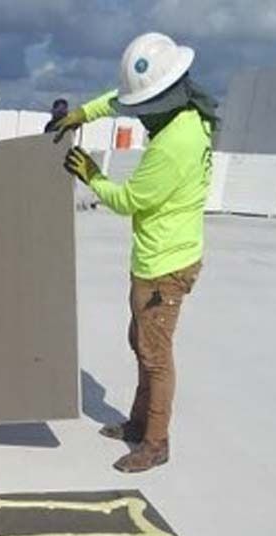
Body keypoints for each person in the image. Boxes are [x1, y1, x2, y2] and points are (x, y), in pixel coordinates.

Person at [55, 33, 218, 473]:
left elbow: (128, 201)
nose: (141, 117)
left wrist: (91, 174)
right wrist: (82, 114)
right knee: (141, 342)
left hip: (164, 267)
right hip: (162, 257)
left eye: (146, 108)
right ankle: (137, 423)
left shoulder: (172, 146)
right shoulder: (191, 112)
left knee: (155, 354)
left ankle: (155, 442)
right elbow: (122, 98)